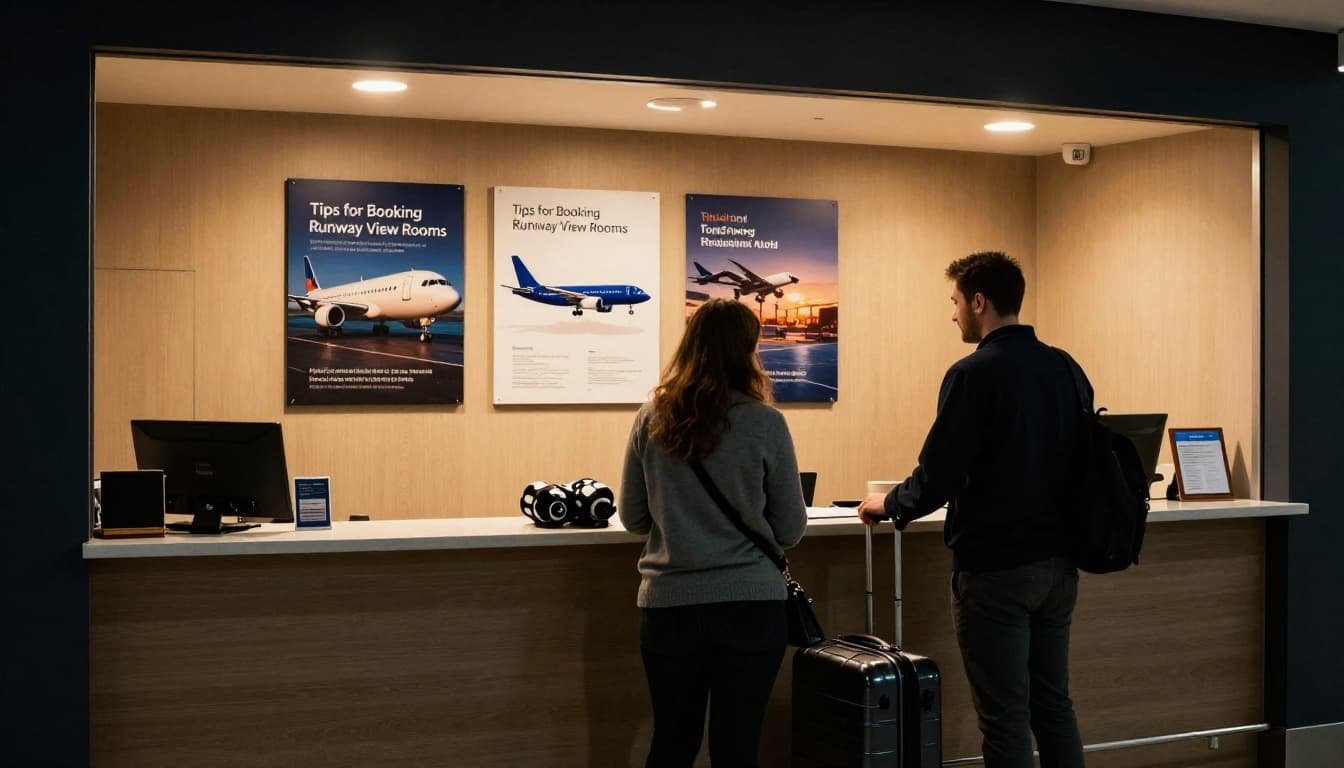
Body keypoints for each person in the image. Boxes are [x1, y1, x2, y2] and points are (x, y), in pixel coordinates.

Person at [856, 251, 1087, 768]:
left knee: (1004, 717)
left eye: (956, 301)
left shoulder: (972, 373)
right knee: (1054, 707)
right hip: (1059, 566)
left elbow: (940, 474)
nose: (953, 313)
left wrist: (890, 504)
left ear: (978, 301)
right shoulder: (1065, 367)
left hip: (996, 569)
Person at [619, 298, 808, 768]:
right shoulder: (766, 422)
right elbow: (790, 527)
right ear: (748, 350)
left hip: (669, 606)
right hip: (751, 607)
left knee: (672, 743)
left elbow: (634, 517)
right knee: (736, 745)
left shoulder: (652, 417)